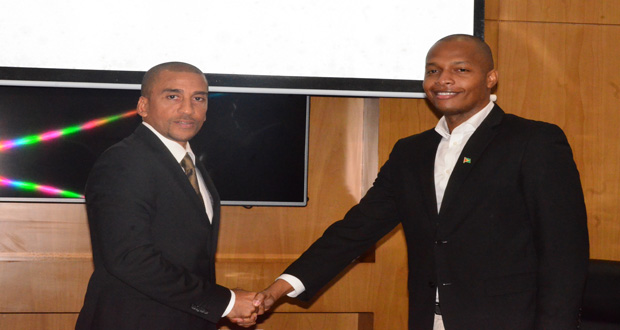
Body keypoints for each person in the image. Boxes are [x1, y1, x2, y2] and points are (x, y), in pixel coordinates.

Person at [253, 35, 590, 329]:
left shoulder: (534, 141)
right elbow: (356, 230)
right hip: (429, 319)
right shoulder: (410, 152)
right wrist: (278, 289)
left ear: (490, 78)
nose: (443, 80)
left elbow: (564, 253)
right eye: (433, 70)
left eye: (460, 70)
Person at [76, 62, 259, 330]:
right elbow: (130, 258)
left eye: (198, 98)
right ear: (143, 107)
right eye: (173, 96)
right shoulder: (124, 160)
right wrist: (226, 302)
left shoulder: (189, 163)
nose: (188, 109)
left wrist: (220, 304)